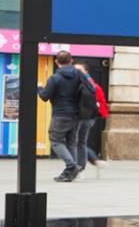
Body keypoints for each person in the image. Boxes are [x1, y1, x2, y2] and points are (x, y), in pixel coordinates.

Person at [39, 50, 84, 180]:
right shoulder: (79, 76)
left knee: (56, 141)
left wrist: (39, 88)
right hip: (76, 114)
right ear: (71, 61)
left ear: (56, 62)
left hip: (60, 114)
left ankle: (72, 166)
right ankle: (72, 173)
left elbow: (44, 96)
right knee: (71, 143)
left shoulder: (55, 78)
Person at [74, 62, 109, 173]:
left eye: (80, 70)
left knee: (76, 141)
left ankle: (81, 166)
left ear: (86, 71)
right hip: (89, 116)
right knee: (81, 142)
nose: (77, 72)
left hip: (84, 116)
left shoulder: (85, 83)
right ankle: (92, 162)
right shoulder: (91, 83)